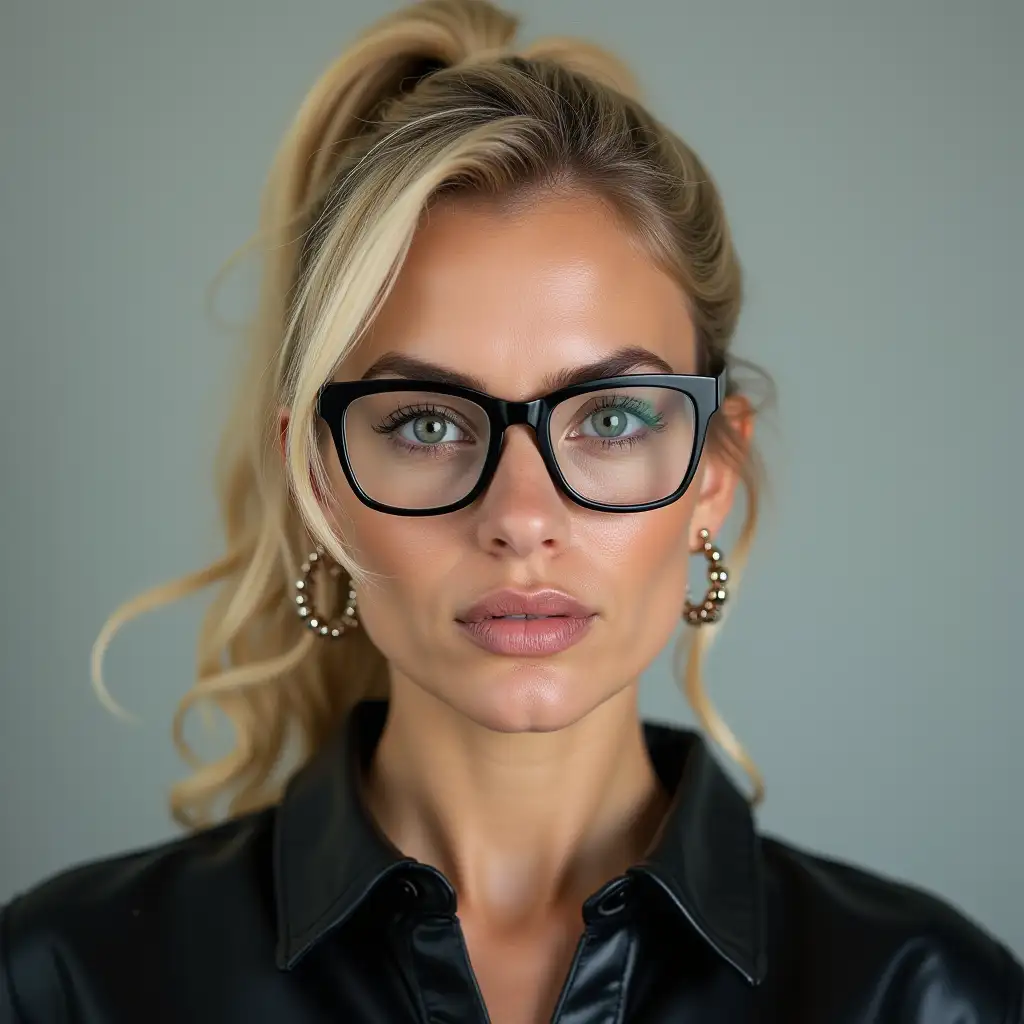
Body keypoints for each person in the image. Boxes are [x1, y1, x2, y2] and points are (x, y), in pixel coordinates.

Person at [1, 1, 1020, 1021]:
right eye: (428, 424)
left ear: (714, 468)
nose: (520, 516)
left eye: (612, 417)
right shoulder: (62, 982)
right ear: (316, 483)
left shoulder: (924, 995)